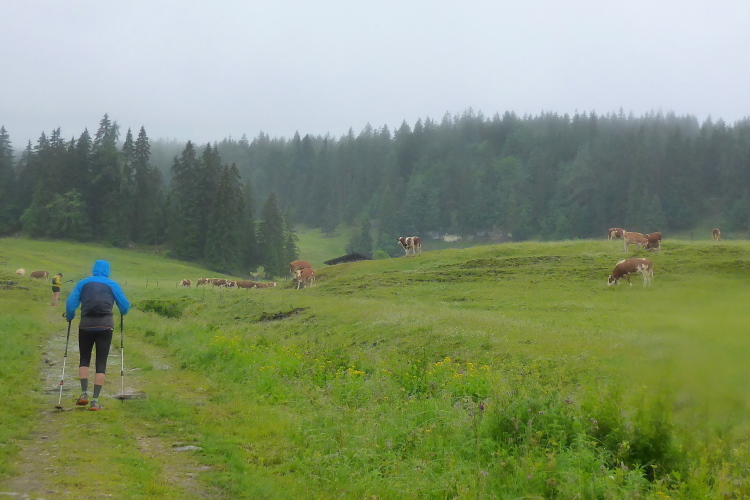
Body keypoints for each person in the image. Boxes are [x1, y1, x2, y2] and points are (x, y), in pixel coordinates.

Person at [65, 260, 130, 411]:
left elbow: (70, 304)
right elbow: (125, 306)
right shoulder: (112, 284)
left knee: (84, 358)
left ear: (94, 269)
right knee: (101, 362)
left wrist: (70, 316)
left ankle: (83, 393)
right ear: (108, 270)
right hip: (105, 326)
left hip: (86, 325)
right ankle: (95, 401)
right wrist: (122, 311)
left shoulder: (83, 283)